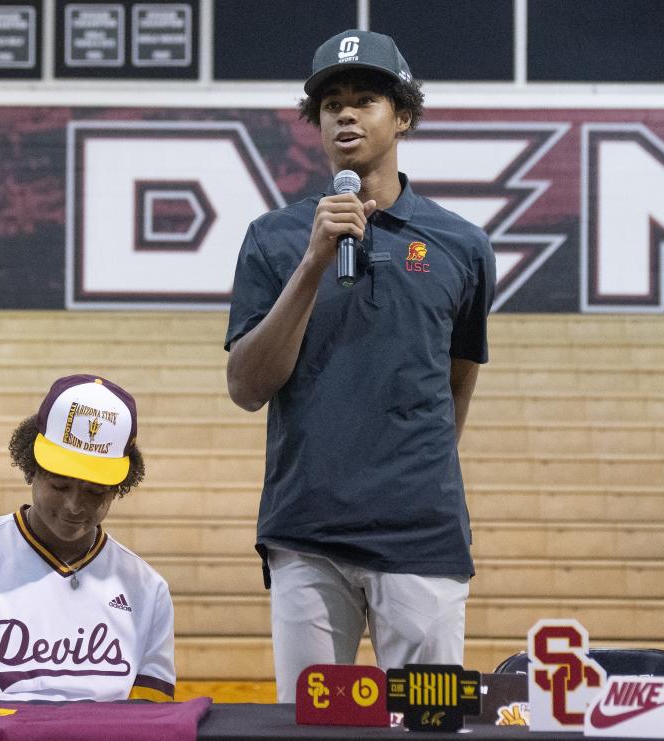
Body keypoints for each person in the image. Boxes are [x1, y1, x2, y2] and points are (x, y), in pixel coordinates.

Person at [224, 29, 496, 702]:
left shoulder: (463, 245)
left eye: (365, 99)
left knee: (431, 720)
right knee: (311, 725)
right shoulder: (275, 239)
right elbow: (247, 386)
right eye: (331, 103)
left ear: (402, 116)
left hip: (421, 536)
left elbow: (457, 378)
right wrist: (314, 261)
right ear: (316, 124)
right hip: (305, 535)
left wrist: (408, 470)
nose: (345, 114)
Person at [0, 374, 175, 702]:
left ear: (116, 490)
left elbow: (152, 715)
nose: (73, 505)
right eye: (59, 486)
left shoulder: (148, 589)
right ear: (31, 468)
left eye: (95, 491)